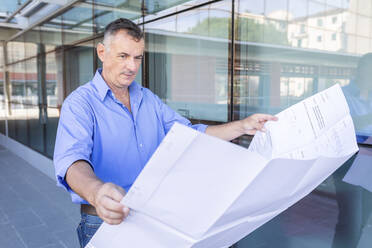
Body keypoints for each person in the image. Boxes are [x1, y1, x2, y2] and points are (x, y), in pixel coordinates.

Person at [53, 18, 277, 248]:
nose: (132, 66)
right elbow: (71, 161)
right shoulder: (80, 104)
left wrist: (242, 126)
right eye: (123, 56)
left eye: (137, 57)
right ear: (102, 52)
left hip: (151, 218)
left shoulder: (147, 99)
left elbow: (190, 135)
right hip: (104, 222)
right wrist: (96, 191)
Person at [332, 53, 372, 248]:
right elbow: (346, 124)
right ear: (360, 70)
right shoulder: (342, 94)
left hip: (369, 163)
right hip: (349, 163)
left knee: (363, 221)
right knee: (351, 222)